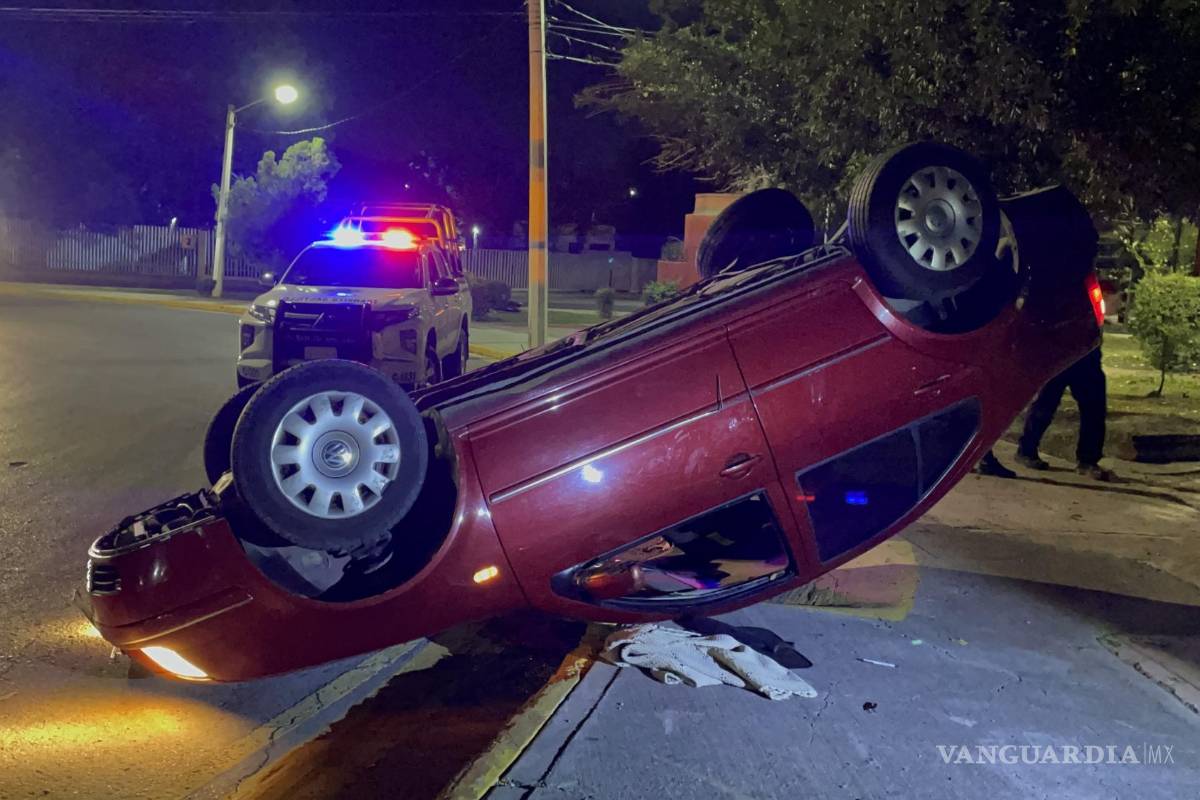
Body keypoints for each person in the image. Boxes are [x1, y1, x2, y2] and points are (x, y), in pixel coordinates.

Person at [1015, 347, 1116, 481]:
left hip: (1085, 353)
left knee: (1094, 408)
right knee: (1045, 404)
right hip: (1058, 352)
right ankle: (1026, 449)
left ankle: (1088, 460)